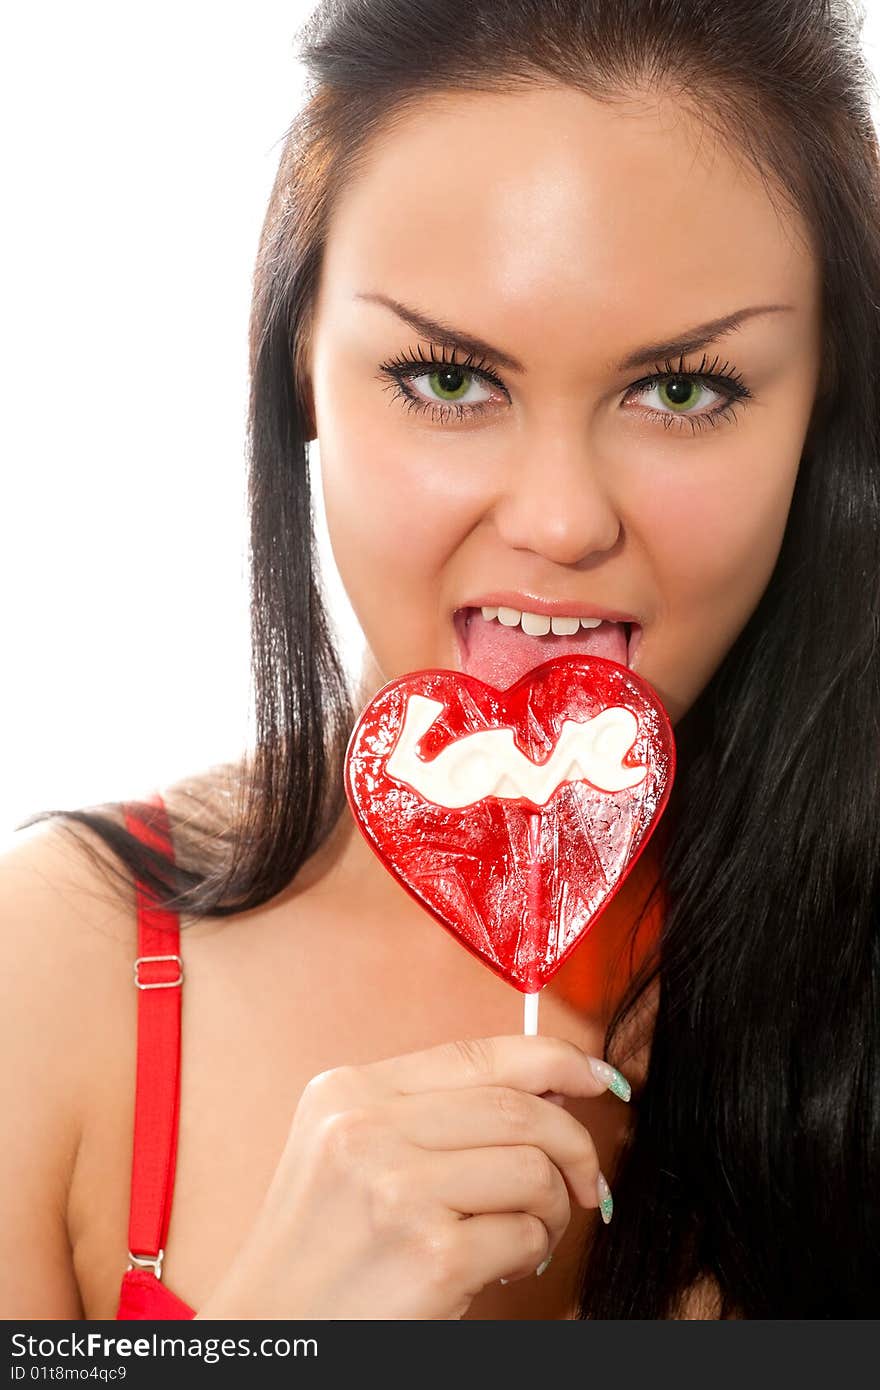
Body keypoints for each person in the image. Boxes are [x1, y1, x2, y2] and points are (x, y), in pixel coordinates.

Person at [2, 0, 878, 1321]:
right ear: (302, 363)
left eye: (684, 390)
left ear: (825, 401)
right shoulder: (55, 975)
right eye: (451, 380)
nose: (563, 518)